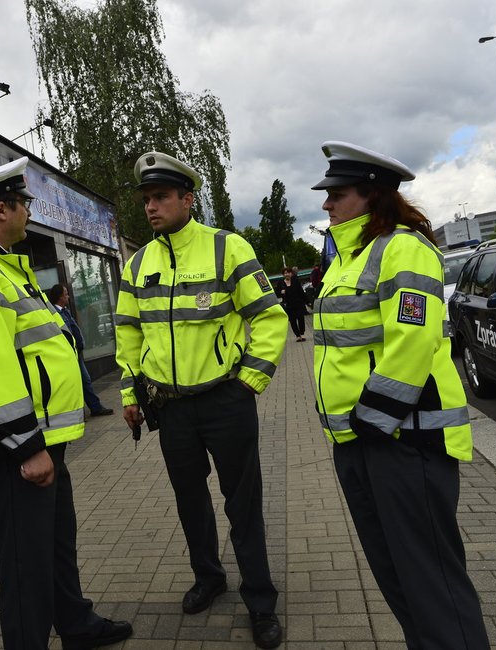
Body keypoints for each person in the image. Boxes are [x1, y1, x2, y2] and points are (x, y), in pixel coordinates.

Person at [0, 157, 132, 650]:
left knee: (54, 549)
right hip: (13, 452)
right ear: (2, 209)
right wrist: (27, 448)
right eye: (24, 205)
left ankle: (76, 625)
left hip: (37, 443)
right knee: (25, 567)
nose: (28, 214)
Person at [310, 141, 489, 649]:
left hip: (402, 442)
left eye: (336, 194)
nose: (326, 204)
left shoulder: (402, 248)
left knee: (434, 589)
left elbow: (413, 340)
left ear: (372, 195)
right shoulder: (349, 257)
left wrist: (372, 418)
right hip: (362, 442)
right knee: (400, 583)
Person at [114, 151, 287, 649]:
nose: (151, 207)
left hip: (225, 401)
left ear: (188, 199)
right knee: (190, 500)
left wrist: (249, 383)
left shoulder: (227, 248)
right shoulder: (137, 263)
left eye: (162, 197)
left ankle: (260, 600)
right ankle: (208, 577)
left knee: (243, 503)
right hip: (170, 407)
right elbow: (127, 333)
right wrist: (130, 392)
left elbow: (270, 318)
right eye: (147, 199)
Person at [45, 283, 114, 417]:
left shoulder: (66, 311)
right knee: (79, 382)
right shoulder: (54, 314)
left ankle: (94, 408)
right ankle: (86, 410)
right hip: (69, 354)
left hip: (77, 352)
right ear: (60, 297)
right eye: (66, 294)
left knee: (84, 381)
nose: (68, 296)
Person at [274, 267, 307, 341]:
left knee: (301, 318)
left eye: (288, 272)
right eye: (285, 273)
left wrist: (307, 301)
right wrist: (281, 292)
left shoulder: (296, 281)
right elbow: (277, 293)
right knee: (292, 320)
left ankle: (302, 334)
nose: (287, 274)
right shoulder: (281, 283)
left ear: (291, 273)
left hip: (298, 303)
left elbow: (301, 291)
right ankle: (297, 335)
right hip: (289, 304)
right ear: (283, 275)